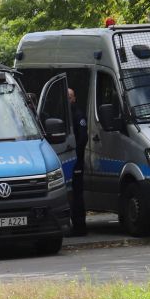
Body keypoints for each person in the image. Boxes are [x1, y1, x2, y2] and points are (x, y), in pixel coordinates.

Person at [68, 88, 88, 236]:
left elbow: (82, 138)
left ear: (74, 98)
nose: (68, 100)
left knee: (77, 194)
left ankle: (80, 226)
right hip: (68, 160)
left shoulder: (78, 115)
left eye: (70, 97)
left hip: (76, 161)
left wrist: (76, 154)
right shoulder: (65, 114)